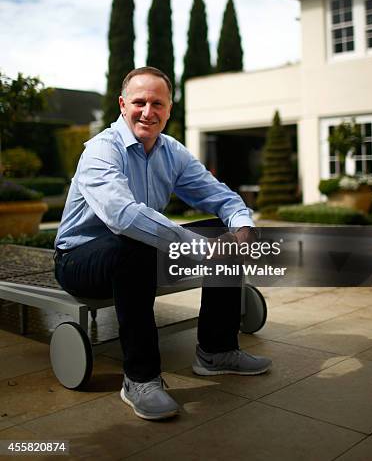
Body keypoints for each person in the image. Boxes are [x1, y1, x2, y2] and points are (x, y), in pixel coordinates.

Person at [54, 66, 271, 420]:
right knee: (135, 243)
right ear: (123, 105)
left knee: (221, 231)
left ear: (169, 109)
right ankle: (140, 379)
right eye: (139, 102)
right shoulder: (101, 151)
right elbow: (123, 216)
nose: (148, 111)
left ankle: (216, 352)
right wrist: (196, 248)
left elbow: (223, 198)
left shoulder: (173, 152)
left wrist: (243, 229)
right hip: (79, 259)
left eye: (158, 103)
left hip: (139, 253)